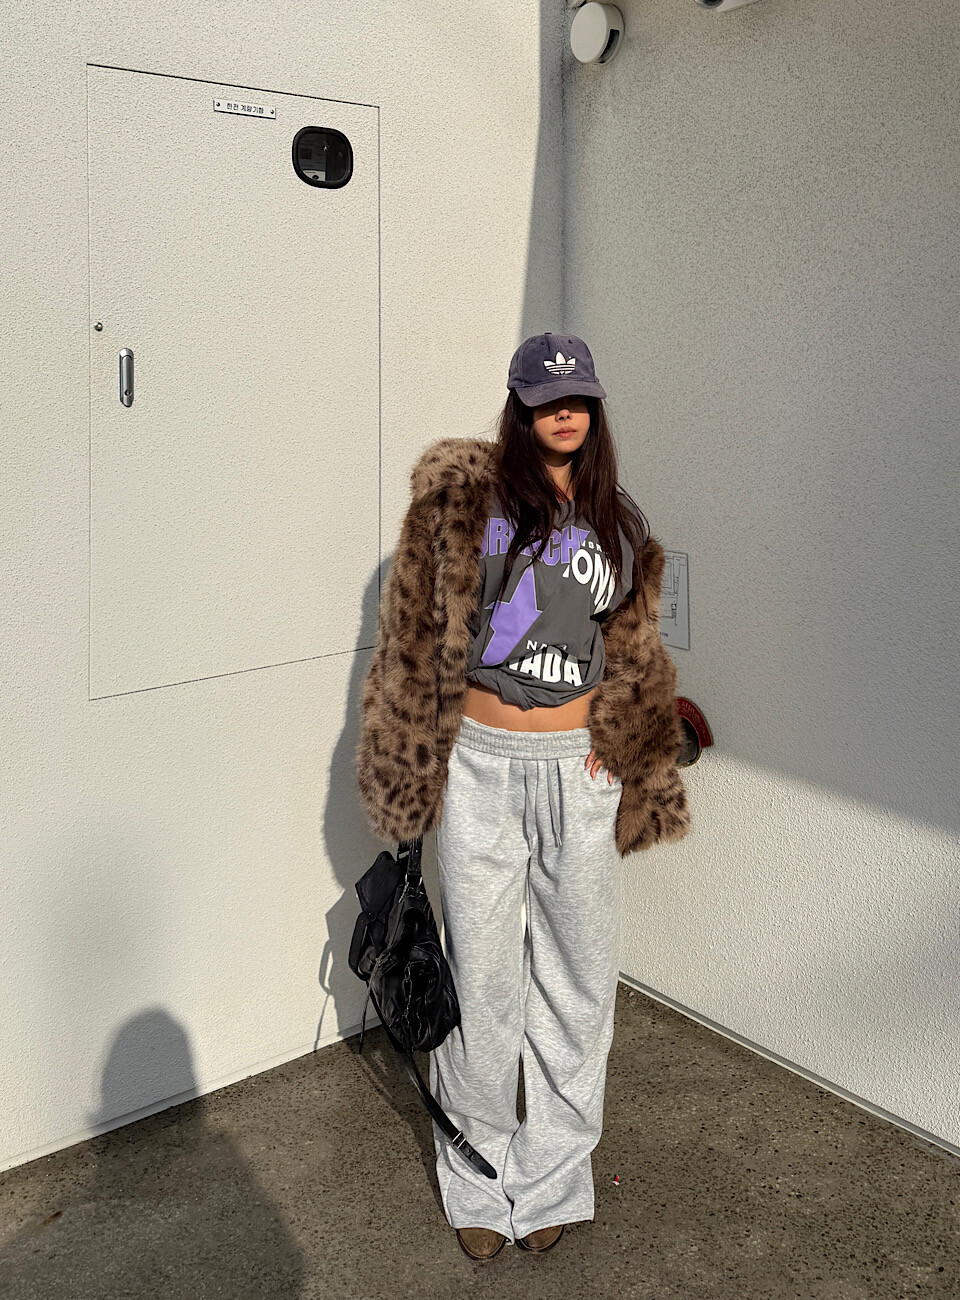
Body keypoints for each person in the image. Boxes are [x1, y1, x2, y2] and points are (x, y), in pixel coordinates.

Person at [355, 332, 691, 1262]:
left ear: (595, 407)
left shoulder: (617, 521)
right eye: (546, 398)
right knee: (484, 980)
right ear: (519, 405)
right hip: (481, 767)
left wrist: (624, 747)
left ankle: (551, 1178)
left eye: (578, 397)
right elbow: (411, 639)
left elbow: (634, 654)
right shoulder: (469, 505)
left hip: (577, 772)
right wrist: (411, 766)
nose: (564, 412)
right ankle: (476, 1171)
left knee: (576, 982)